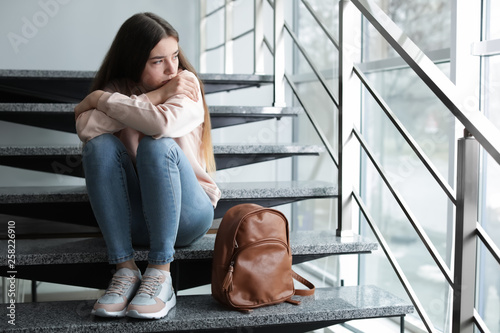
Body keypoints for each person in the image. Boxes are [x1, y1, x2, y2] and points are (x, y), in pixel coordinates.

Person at [74, 12, 220, 320]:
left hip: (188, 214)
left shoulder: (186, 84)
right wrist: (156, 95)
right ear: (133, 61)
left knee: (157, 144)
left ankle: (161, 274)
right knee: (98, 146)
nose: (172, 69)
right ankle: (125, 270)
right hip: (136, 217)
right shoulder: (121, 87)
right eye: (158, 61)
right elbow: (87, 128)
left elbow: (161, 122)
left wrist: (100, 99)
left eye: (175, 56)